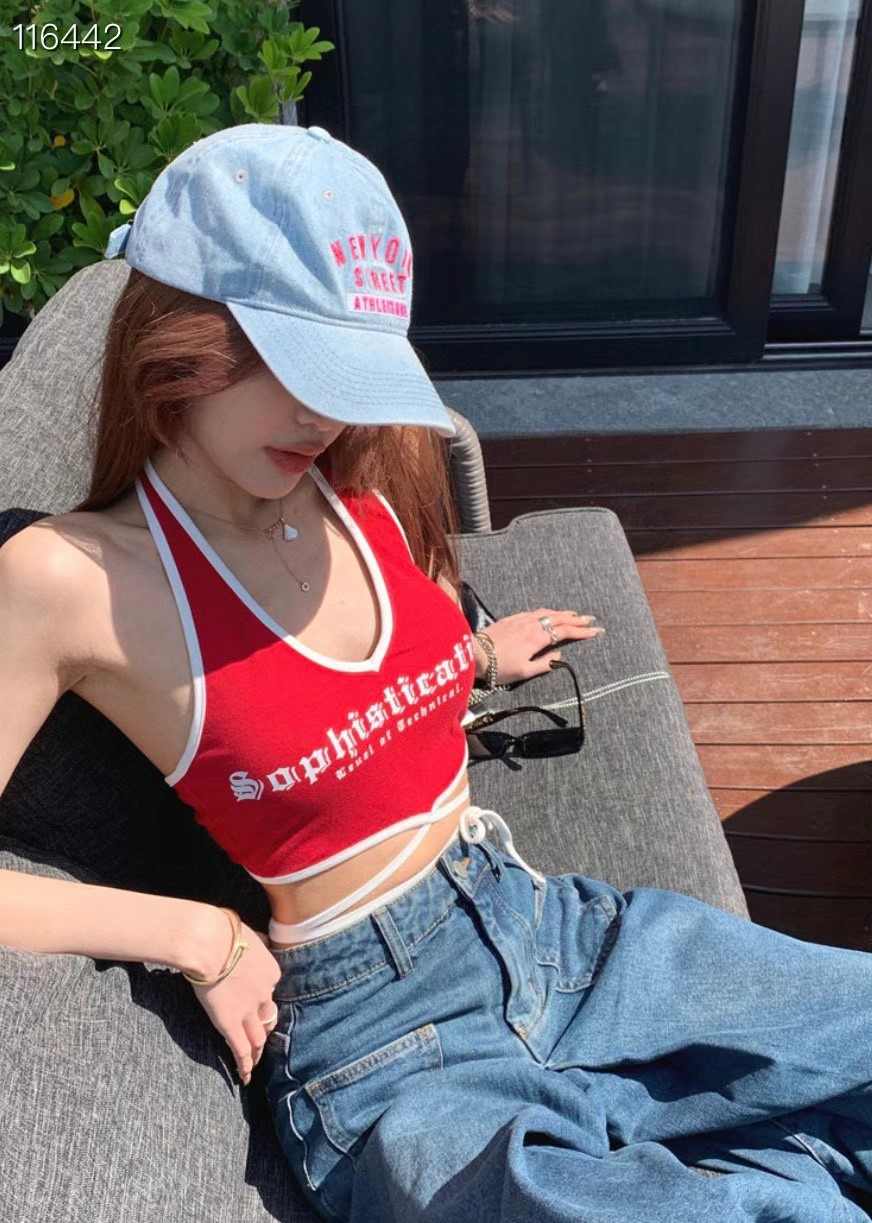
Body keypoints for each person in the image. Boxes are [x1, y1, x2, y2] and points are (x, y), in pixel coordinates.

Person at [1, 123, 871, 1223]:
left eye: (347, 372)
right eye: (293, 364)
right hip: (387, 1052)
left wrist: (471, 657)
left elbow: (345, 698)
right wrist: (195, 936)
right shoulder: (71, 577)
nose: (322, 412)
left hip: (558, 933)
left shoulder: (352, 471)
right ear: (182, 333)